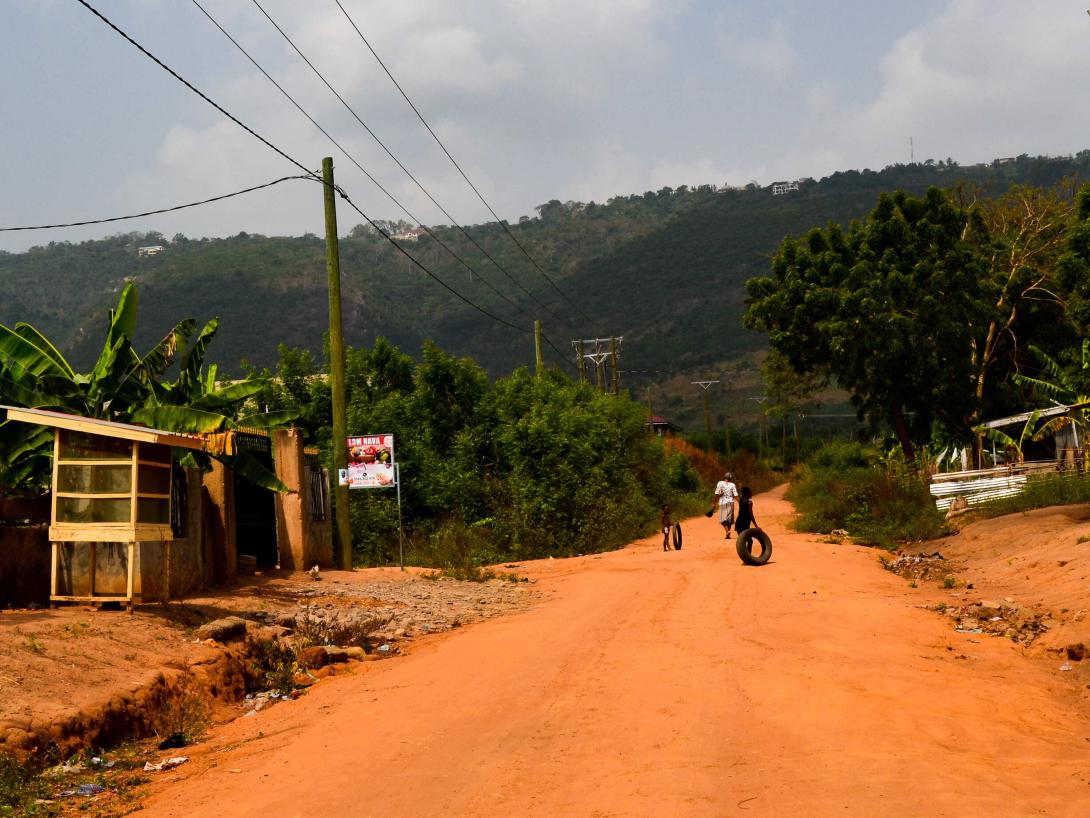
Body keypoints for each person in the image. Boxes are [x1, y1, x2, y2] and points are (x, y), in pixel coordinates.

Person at [713, 471, 739, 539]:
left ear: (724, 477)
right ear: (731, 479)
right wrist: (740, 503)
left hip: (723, 503)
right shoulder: (733, 485)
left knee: (723, 519)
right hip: (731, 503)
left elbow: (716, 494)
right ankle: (728, 533)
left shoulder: (720, 483)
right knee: (729, 520)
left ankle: (727, 532)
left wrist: (714, 503)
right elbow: (735, 495)